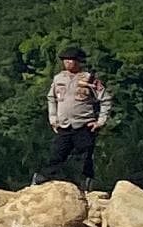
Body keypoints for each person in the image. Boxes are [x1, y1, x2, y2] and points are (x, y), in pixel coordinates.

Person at [45, 47, 111, 181]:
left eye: (72, 60)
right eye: (65, 60)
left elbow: (105, 99)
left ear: (79, 61)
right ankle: (46, 180)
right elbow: (52, 98)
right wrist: (53, 118)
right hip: (64, 125)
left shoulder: (89, 79)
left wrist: (100, 121)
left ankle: (85, 183)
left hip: (84, 125)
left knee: (84, 158)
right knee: (56, 155)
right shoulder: (59, 78)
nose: (68, 62)